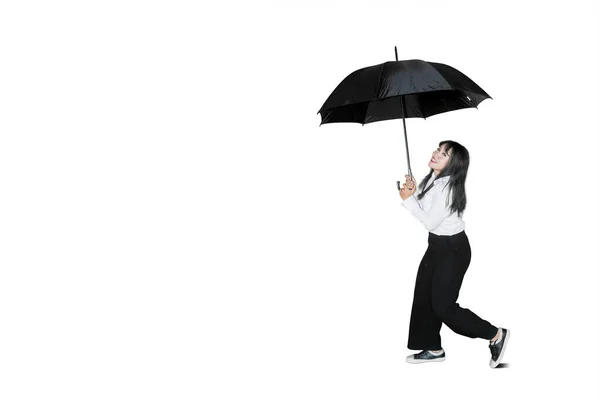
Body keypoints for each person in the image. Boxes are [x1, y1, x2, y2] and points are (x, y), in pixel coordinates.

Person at [398, 140, 509, 368]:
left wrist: (408, 200)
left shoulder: (446, 187)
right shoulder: (434, 180)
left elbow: (430, 221)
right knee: (423, 295)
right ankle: (433, 348)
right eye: (438, 149)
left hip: (453, 250)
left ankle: (495, 334)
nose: (436, 154)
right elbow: (429, 205)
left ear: (454, 164)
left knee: (443, 306)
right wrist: (415, 190)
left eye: (444, 154)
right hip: (437, 246)